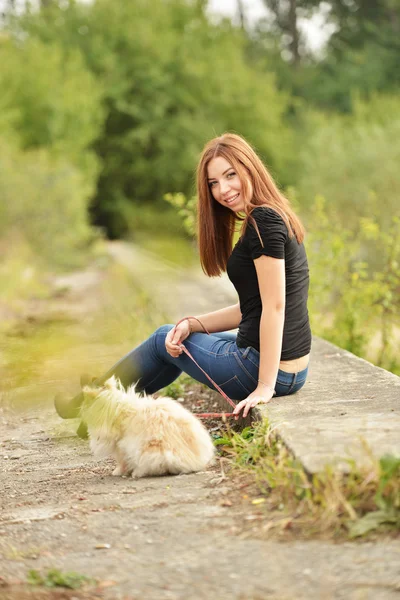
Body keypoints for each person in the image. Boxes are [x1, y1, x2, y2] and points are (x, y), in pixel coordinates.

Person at [55, 133, 311, 431]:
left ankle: (90, 403)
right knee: (177, 335)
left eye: (230, 175)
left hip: (263, 370)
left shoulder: (262, 223)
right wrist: (193, 323)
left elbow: (275, 306)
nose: (223, 190)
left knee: (161, 340)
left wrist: (264, 386)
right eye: (213, 183)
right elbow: (250, 309)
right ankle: (100, 412)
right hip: (294, 368)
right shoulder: (273, 215)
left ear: (249, 167)